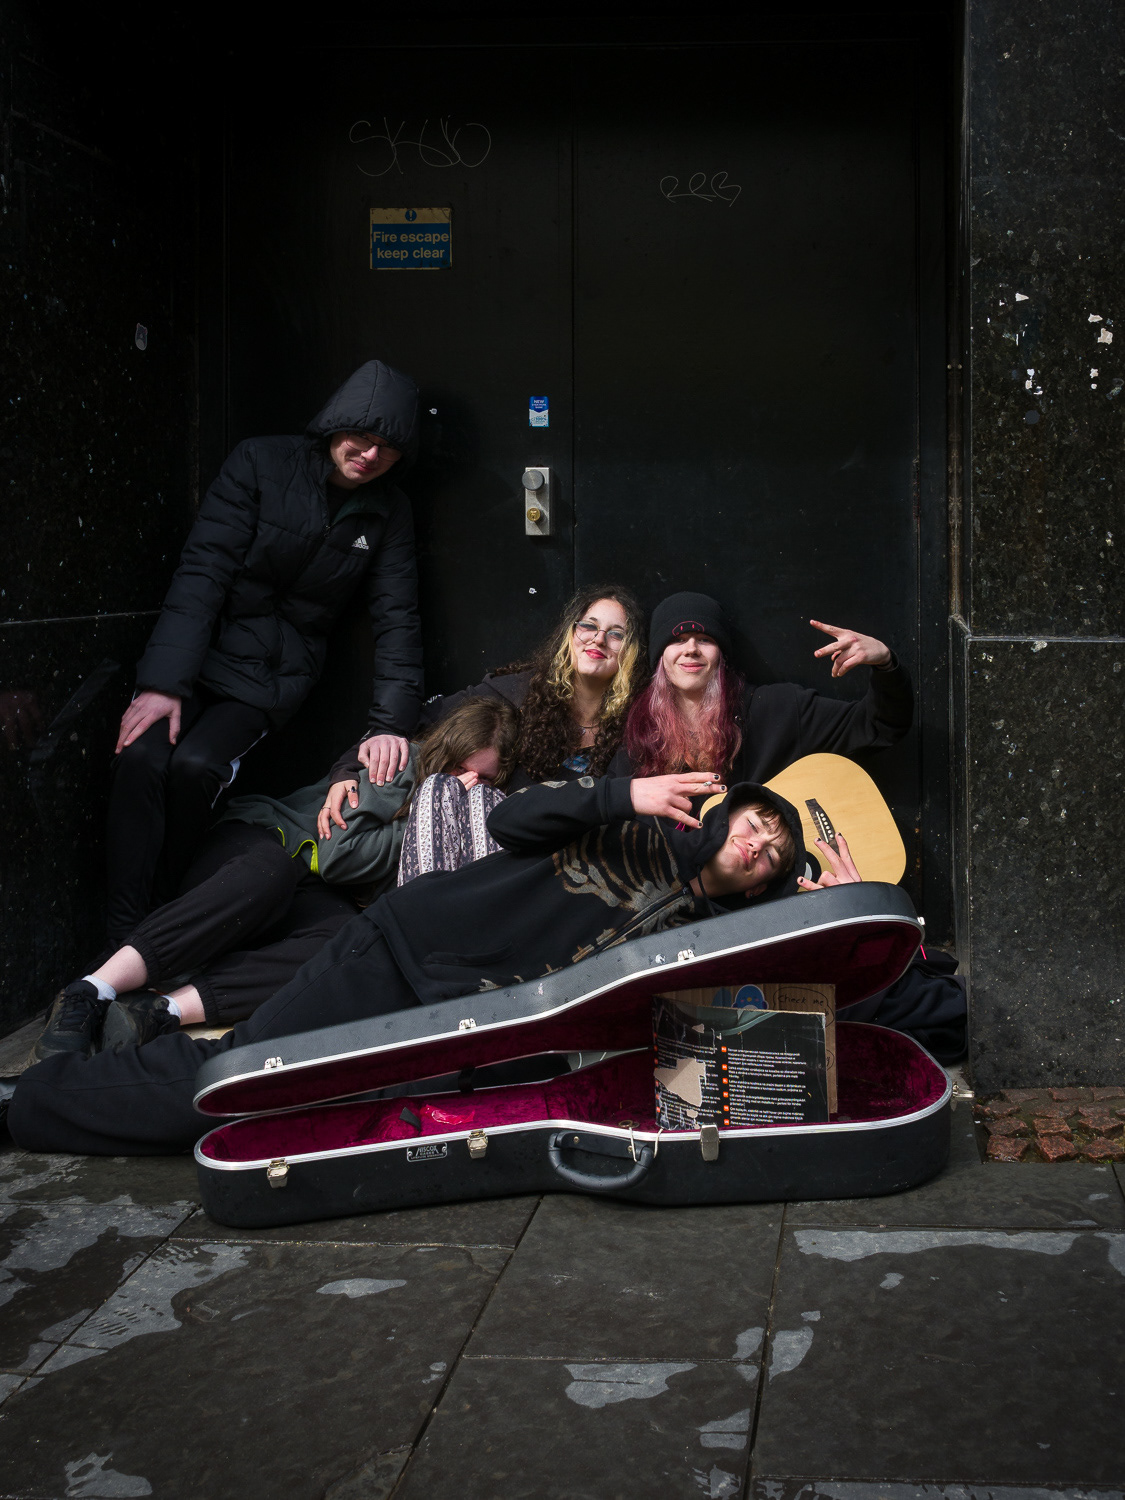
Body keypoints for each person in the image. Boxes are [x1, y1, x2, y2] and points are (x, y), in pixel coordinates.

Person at [5, 774, 867, 1155]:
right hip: (404, 953)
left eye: (777, 846)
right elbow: (512, 823)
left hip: (462, 1037)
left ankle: (78, 1074)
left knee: (253, 1111)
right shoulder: (638, 825)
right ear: (729, 812)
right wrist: (621, 794)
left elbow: (789, 1024)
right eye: (758, 819)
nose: (759, 841)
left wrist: (833, 907)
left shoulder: (720, 940)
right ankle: (31, 1104)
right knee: (230, 1087)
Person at [105, 359, 425, 946]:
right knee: (140, 759)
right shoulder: (261, 462)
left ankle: (169, 917)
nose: (369, 455)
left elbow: (396, 616)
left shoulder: (388, 510)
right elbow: (204, 569)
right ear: (335, 425)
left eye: (387, 446)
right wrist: (163, 683)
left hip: (272, 675)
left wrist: (389, 725)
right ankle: (121, 930)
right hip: (199, 654)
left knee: (196, 767)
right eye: (360, 436)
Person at [27, 700, 518, 1062]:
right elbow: (341, 857)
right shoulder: (403, 764)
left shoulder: (470, 815)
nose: (464, 784)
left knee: (342, 947)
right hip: (266, 843)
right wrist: (424, 815)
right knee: (270, 873)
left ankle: (158, 1013)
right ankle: (90, 990)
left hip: (317, 896)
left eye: (483, 779)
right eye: (458, 769)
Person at [321, 585, 646, 829]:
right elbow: (415, 722)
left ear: (631, 651)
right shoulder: (519, 691)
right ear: (571, 634)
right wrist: (348, 769)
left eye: (616, 634)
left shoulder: (637, 723)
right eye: (589, 625)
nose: (598, 639)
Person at [616, 591, 913, 784]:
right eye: (677, 640)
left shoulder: (779, 709)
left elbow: (878, 727)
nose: (691, 649)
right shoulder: (640, 734)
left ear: (722, 655)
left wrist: (886, 664)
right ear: (659, 658)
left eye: (705, 639)